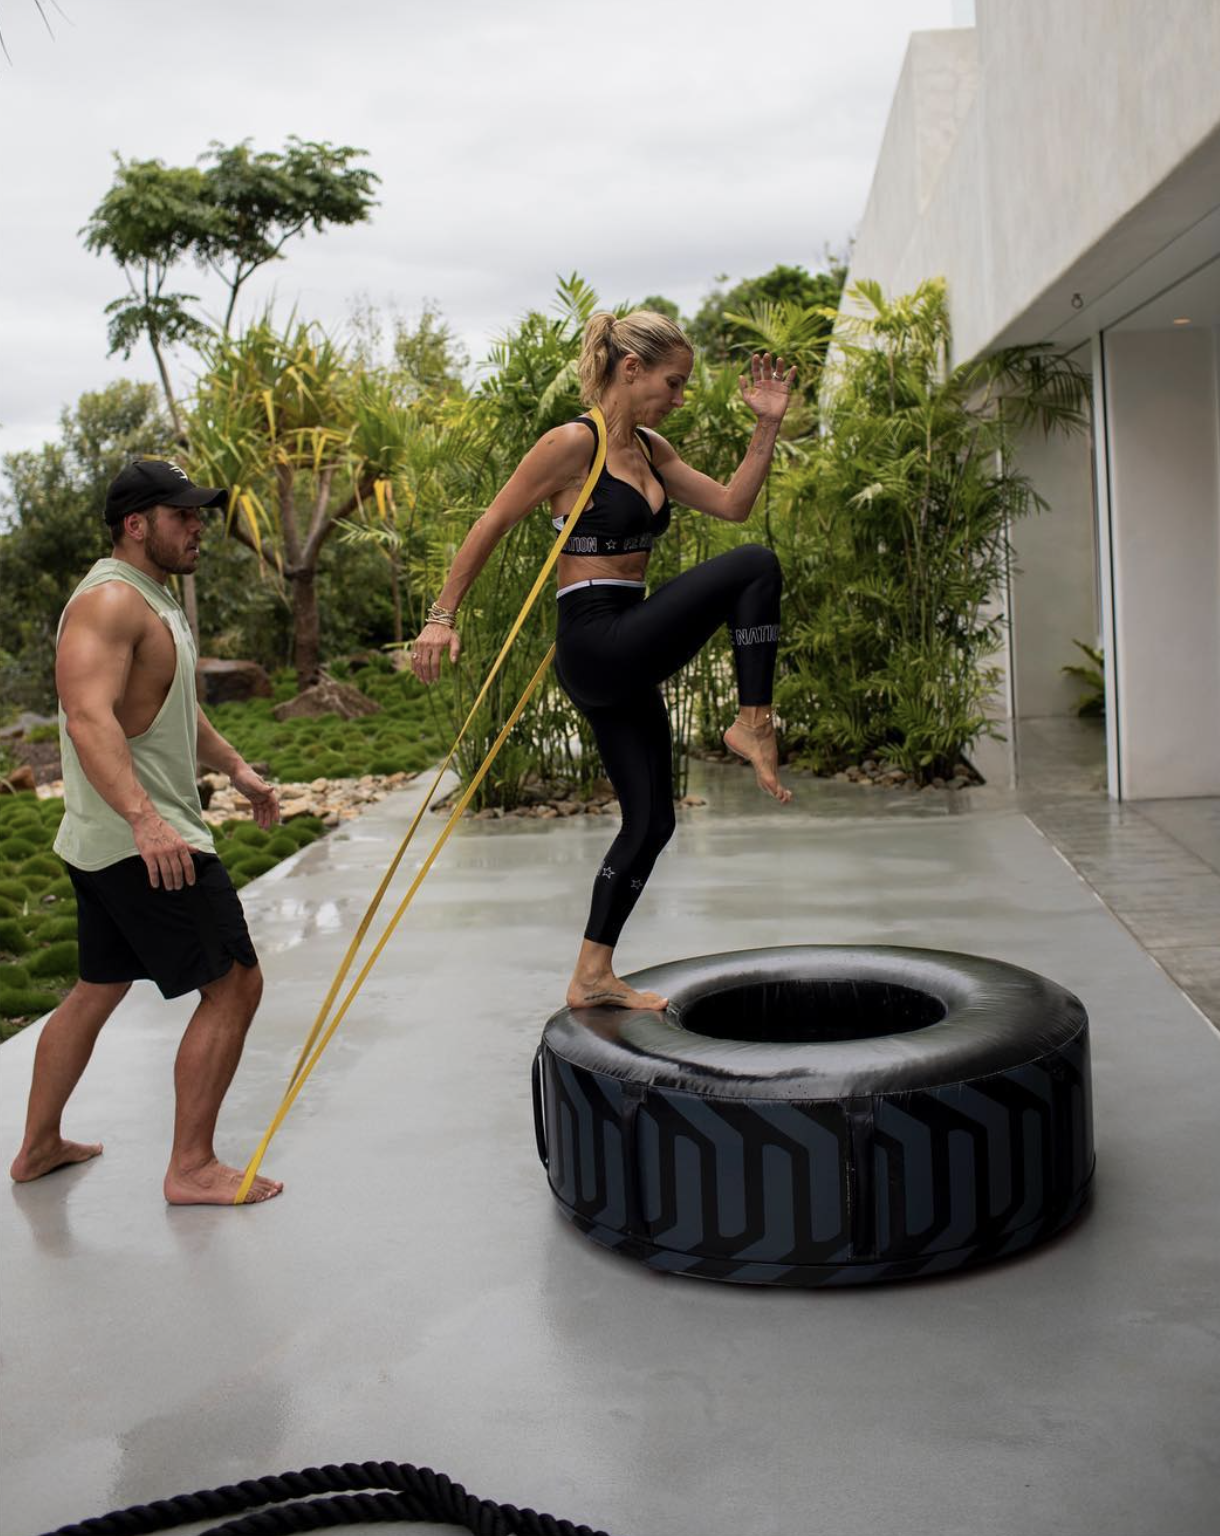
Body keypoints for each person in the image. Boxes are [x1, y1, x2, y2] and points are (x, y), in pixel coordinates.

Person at [411, 310, 796, 1012]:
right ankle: (753, 721)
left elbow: (735, 505)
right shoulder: (570, 443)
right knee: (754, 568)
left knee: (651, 821)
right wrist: (441, 616)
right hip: (594, 638)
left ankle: (592, 974)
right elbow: (492, 522)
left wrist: (766, 424)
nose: (679, 397)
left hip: (628, 641)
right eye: (673, 383)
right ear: (630, 369)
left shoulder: (652, 450)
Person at [9, 459, 284, 1204]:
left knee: (96, 988)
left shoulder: (152, 598)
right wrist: (148, 821)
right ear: (137, 524)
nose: (199, 528)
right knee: (234, 985)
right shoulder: (107, 602)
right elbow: (86, 717)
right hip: (144, 846)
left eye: (199, 515)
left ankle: (36, 1148)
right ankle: (190, 1167)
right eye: (183, 516)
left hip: (113, 842)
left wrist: (235, 768)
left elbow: (169, 706)